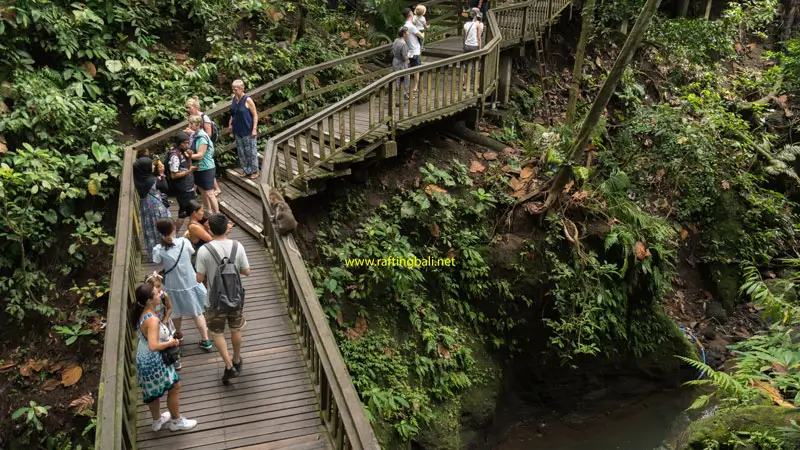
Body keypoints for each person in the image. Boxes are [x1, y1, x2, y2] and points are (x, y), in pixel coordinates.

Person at [133, 282, 197, 432]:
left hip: (143, 359)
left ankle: (157, 421)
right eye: (156, 294)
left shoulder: (140, 312)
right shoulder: (152, 320)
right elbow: (153, 346)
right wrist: (170, 342)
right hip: (154, 360)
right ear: (149, 300)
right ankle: (176, 421)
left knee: (152, 393)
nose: (160, 294)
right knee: (175, 386)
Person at [196, 214, 251, 385]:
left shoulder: (204, 250)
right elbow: (247, 271)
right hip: (235, 297)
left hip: (214, 300)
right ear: (227, 227)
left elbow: (199, 278)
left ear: (210, 229)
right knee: (236, 329)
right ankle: (236, 358)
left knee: (217, 333)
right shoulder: (237, 246)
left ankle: (228, 365)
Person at [152, 218, 213, 354]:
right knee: (197, 312)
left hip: (173, 285)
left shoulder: (158, 249)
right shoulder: (184, 242)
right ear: (174, 229)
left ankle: (178, 334)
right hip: (191, 281)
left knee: (175, 312)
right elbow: (191, 252)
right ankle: (206, 340)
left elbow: (156, 261)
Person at [134, 155, 171, 263]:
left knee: (150, 230)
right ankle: (167, 252)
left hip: (146, 207)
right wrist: (161, 174)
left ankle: (154, 255)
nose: (153, 166)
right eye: (151, 165)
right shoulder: (153, 181)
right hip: (157, 207)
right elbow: (165, 187)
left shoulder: (138, 179)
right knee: (163, 228)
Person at [144, 272, 182, 370]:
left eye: (159, 286)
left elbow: (169, 308)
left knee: (169, 338)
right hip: (154, 323)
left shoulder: (164, 295)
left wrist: (165, 319)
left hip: (164, 322)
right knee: (158, 340)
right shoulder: (147, 299)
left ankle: (174, 358)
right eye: (154, 287)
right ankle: (162, 357)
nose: (158, 289)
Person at [184, 97, 221, 197]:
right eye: (187, 108)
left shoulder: (204, 118)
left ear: (195, 107)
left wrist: (191, 132)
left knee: (206, 166)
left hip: (205, 146)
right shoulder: (192, 117)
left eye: (189, 107)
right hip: (195, 145)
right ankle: (194, 191)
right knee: (198, 168)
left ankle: (216, 188)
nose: (188, 110)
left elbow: (208, 134)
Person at [187, 114, 219, 215]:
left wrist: (186, 156)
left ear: (198, 125)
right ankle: (208, 211)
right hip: (198, 168)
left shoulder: (202, 137)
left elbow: (200, 155)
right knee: (202, 191)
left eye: (192, 123)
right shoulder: (193, 135)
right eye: (190, 123)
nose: (190, 125)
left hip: (207, 168)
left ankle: (217, 214)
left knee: (209, 193)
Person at [227, 80, 260, 180]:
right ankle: (246, 170)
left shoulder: (248, 100)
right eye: (233, 89)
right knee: (241, 151)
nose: (234, 91)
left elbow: (255, 115)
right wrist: (230, 124)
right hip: (237, 129)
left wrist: (254, 129)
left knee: (251, 151)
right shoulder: (234, 98)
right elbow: (233, 113)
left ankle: (254, 170)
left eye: (236, 89)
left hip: (247, 129)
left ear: (242, 89)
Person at [167, 132, 199, 233]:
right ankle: (174, 235)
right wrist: (190, 171)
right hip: (183, 188)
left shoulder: (183, 152)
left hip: (188, 186)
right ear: (180, 143)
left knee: (193, 210)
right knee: (183, 212)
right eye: (185, 143)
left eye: (188, 142)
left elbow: (187, 166)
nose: (187, 145)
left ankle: (193, 232)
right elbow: (174, 175)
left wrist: (189, 157)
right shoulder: (175, 156)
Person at [403, 8, 425, 94]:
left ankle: (406, 88)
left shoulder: (404, 26)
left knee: (408, 69)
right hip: (415, 51)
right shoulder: (411, 27)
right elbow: (421, 36)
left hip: (408, 51)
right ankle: (415, 87)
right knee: (416, 70)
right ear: (410, 14)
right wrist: (423, 33)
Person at [463, 8, 484, 88]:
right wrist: (480, 49)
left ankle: (465, 85)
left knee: (466, 66)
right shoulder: (478, 24)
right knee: (477, 66)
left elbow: (465, 37)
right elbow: (479, 38)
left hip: (466, 46)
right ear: (475, 16)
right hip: (475, 46)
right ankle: (477, 84)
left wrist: (465, 46)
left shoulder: (465, 25)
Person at [392, 27, 411, 101]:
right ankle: (404, 94)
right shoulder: (403, 44)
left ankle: (397, 94)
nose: (408, 33)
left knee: (396, 78)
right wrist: (409, 56)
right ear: (404, 34)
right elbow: (404, 57)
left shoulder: (396, 40)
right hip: (401, 63)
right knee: (405, 78)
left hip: (395, 61)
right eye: (407, 32)